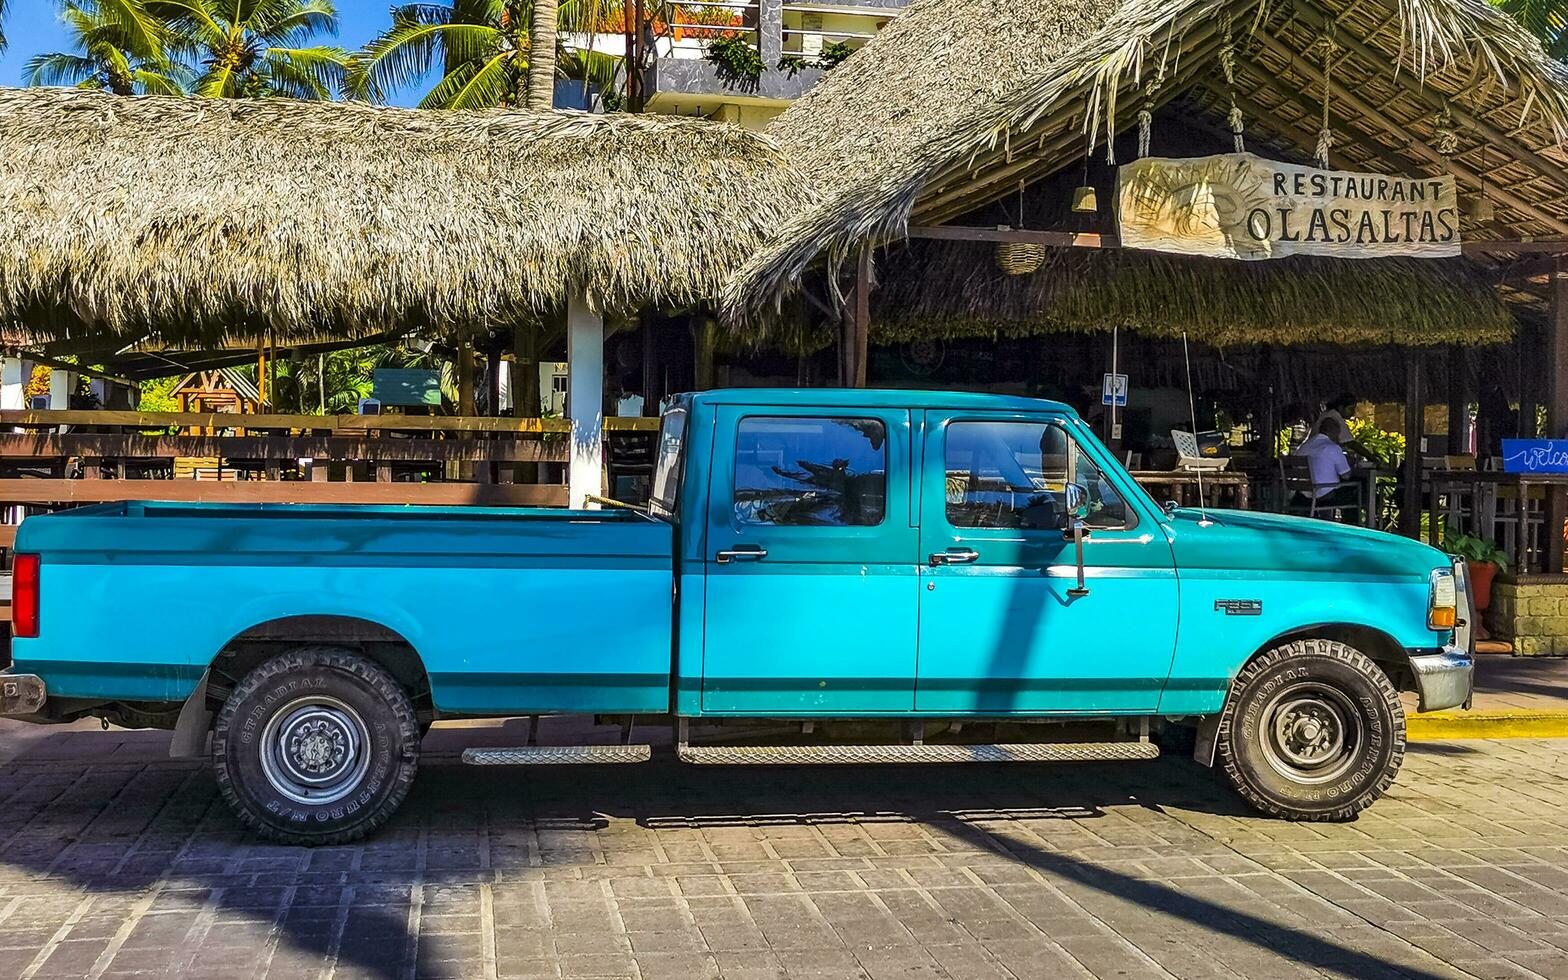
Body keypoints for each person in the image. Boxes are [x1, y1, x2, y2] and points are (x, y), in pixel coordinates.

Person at [1297, 421, 1359, 513]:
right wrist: (1350, 463)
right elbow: (1346, 475)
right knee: (1358, 490)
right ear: (1332, 433)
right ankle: (1353, 523)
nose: (1339, 437)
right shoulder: (1332, 447)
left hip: (1302, 494)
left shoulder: (1304, 446)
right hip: (1324, 493)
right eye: (1338, 433)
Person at [1312, 394, 1381, 464]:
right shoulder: (1335, 417)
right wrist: (1373, 458)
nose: (1353, 412)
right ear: (1341, 408)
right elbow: (1351, 443)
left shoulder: (1327, 414)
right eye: (1350, 409)